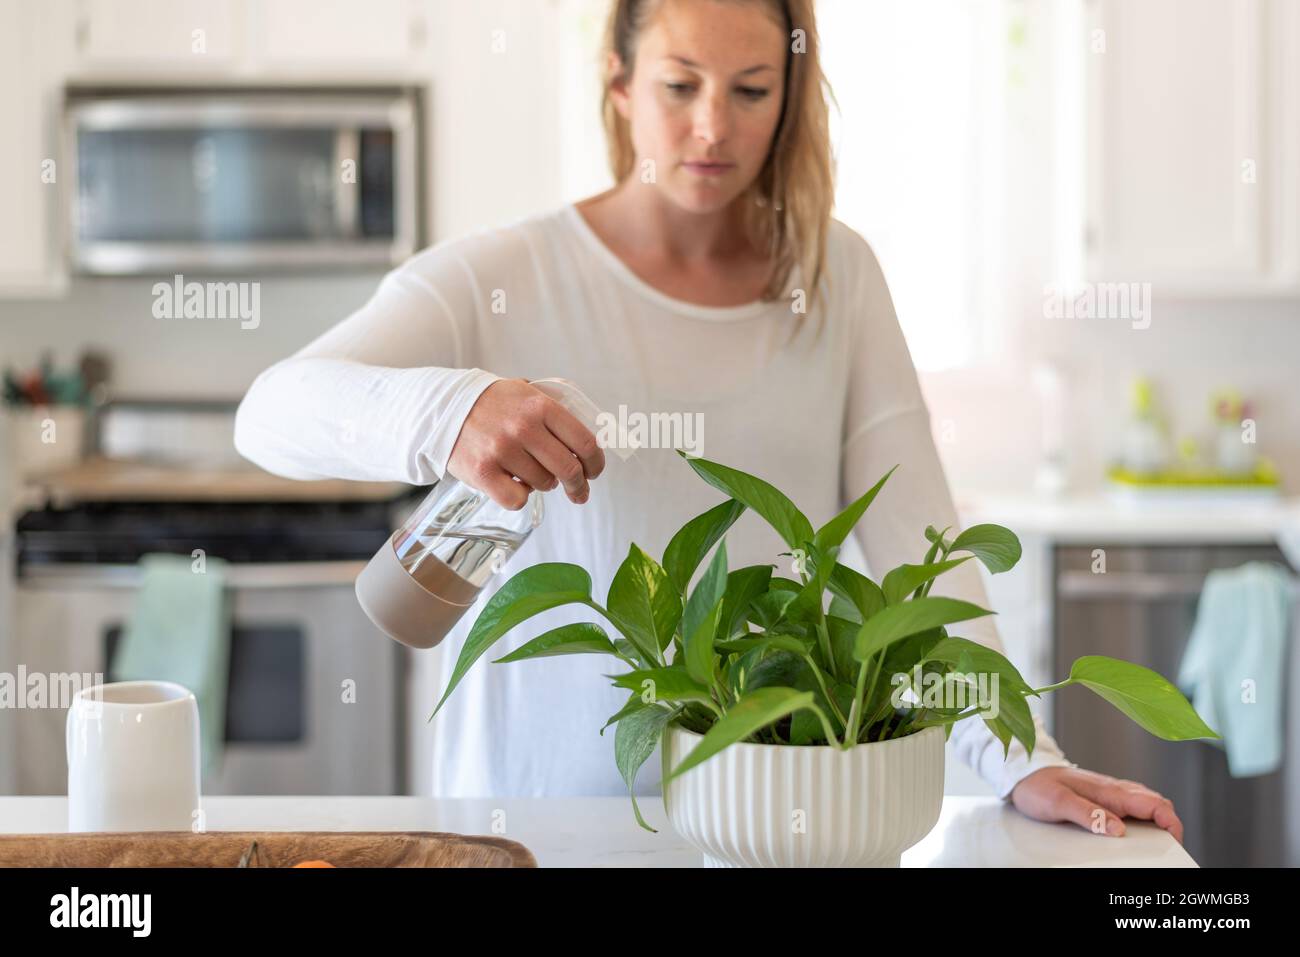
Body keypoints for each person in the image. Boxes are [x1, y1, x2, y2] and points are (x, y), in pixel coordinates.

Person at [235, 0, 1183, 843]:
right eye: (680, 84)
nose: (712, 127)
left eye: (752, 88)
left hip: (766, 815)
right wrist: (449, 409)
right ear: (618, 84)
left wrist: (1021, 758)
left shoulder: (836, 278)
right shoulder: (505, 272)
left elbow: (922, 550)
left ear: (792, 95)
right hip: (530, 824)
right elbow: (269, 411)